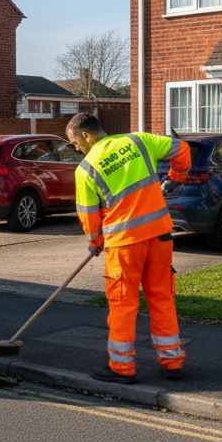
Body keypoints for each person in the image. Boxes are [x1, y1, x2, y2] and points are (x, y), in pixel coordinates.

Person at [66, 112, 191, 384]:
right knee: (161, 297)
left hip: (124, 245)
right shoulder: (139, 141)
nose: (75, 148)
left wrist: (96, 243)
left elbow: (88, 217)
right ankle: (172, 362)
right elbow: (182, 149)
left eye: (75, 142)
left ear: (86, 135)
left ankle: (122, 368)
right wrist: (175, 178)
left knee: (123, 304)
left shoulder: (86, 169)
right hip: (160, 235)